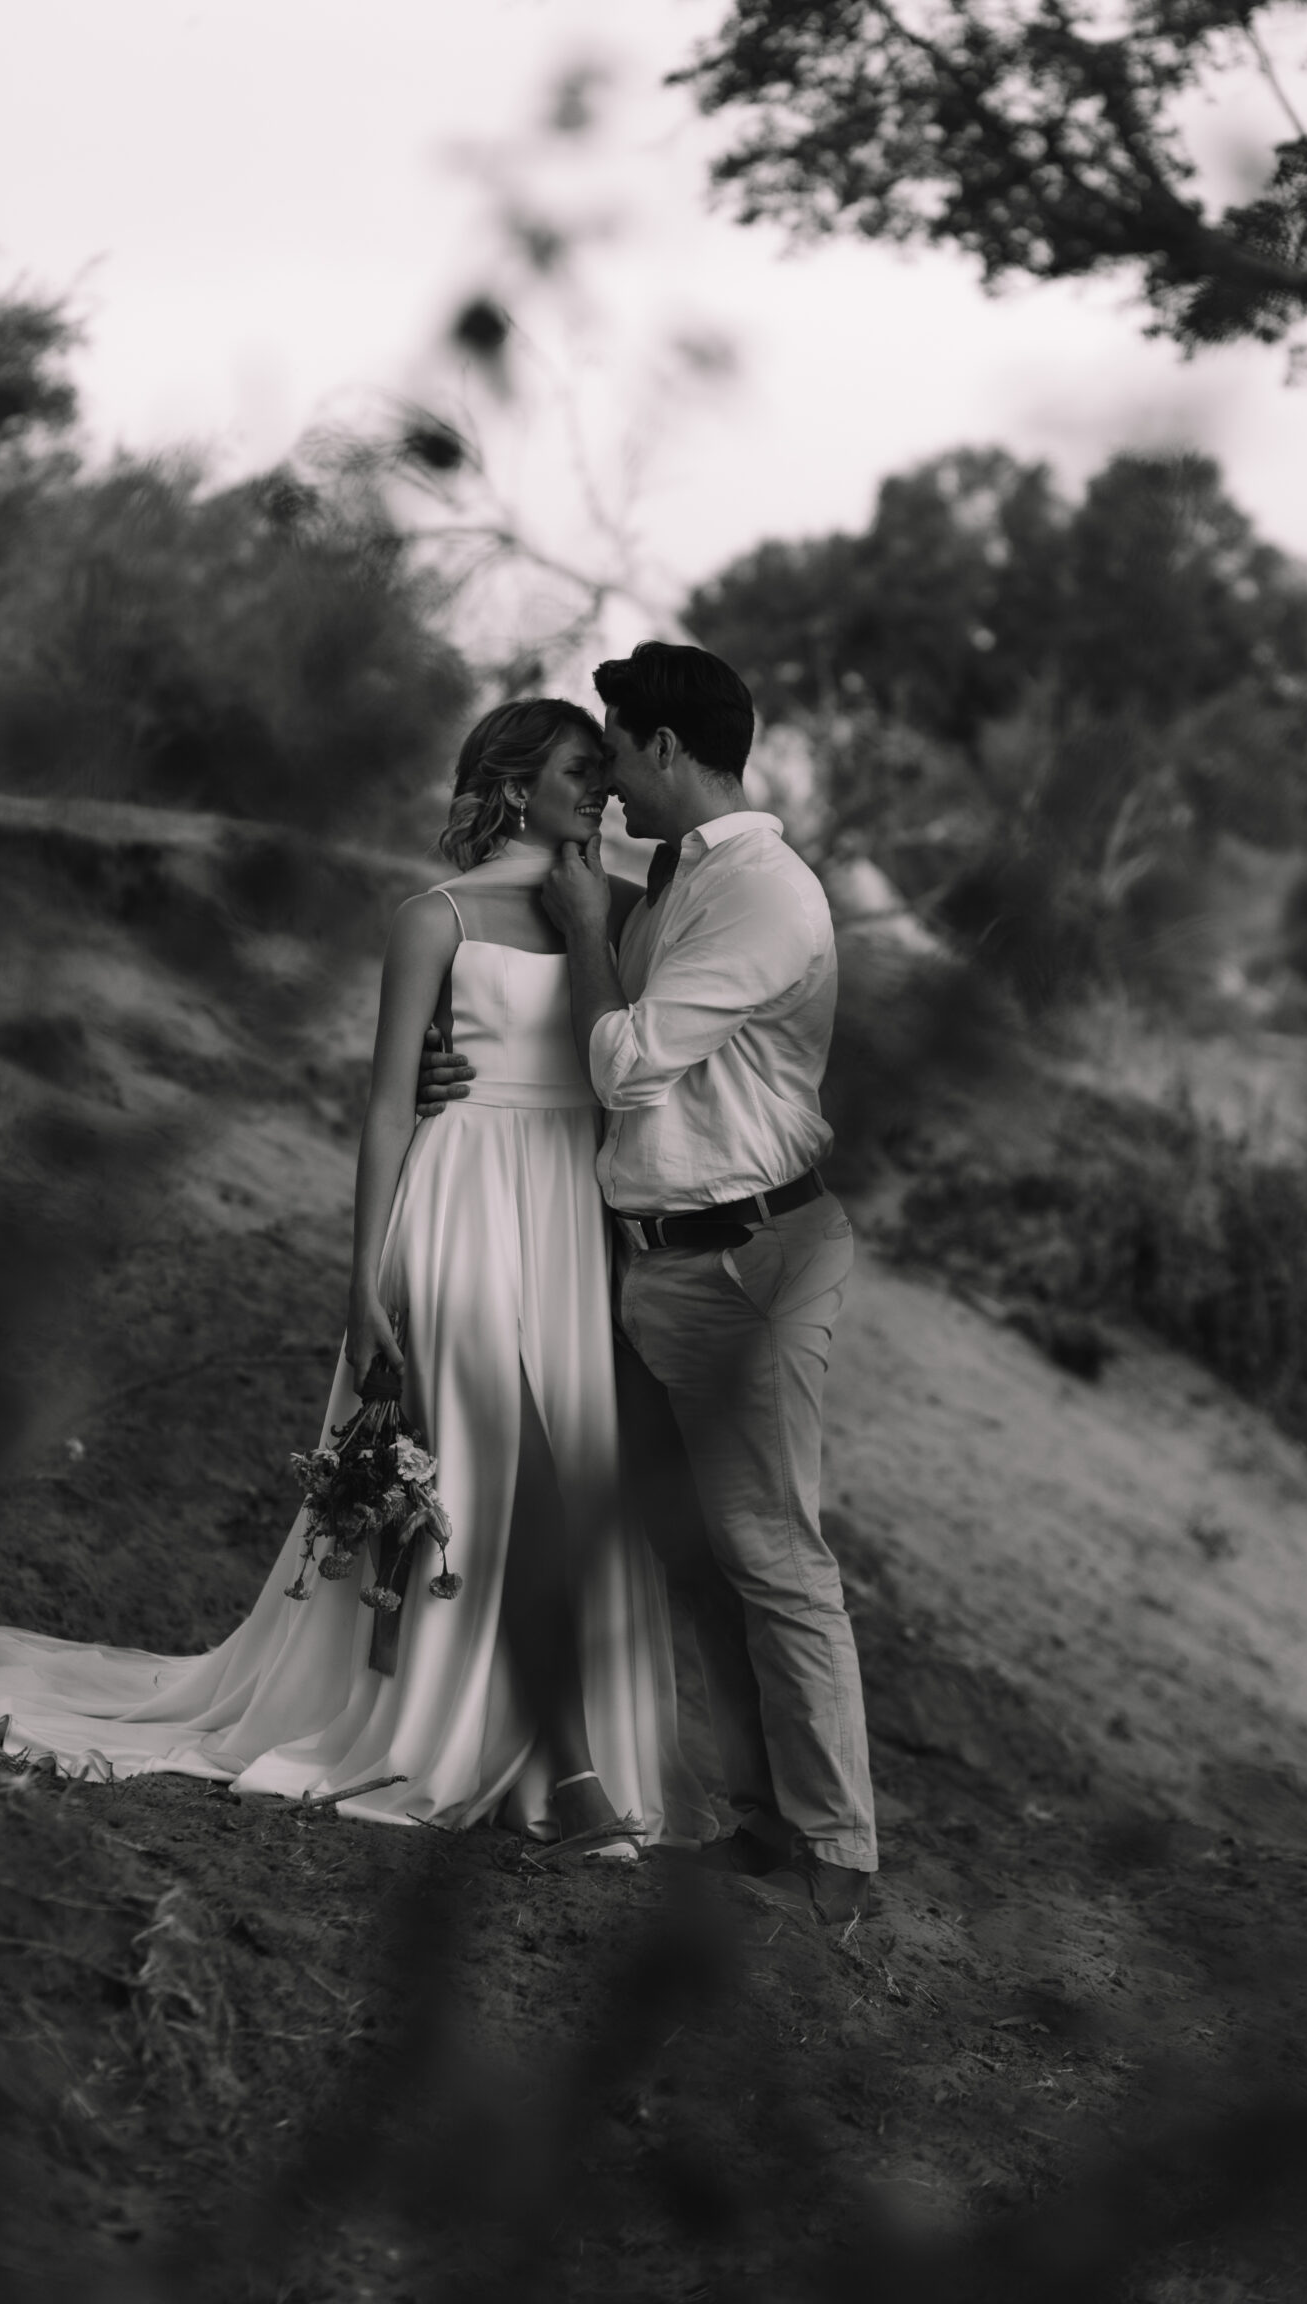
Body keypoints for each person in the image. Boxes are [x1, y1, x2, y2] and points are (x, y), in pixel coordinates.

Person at [0, 700, 712, 1858]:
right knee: (504, 1464)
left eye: (607, 769)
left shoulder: (624, 916)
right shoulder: (433, 919)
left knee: (571, 1485)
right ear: (515, 782)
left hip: (571, 1211)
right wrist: (362, 1279)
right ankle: (564, 1762)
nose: (605, 789)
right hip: (463, 1202)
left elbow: (640, 1064)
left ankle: (549, 1742)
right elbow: (388, 1103)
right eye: (582, 770)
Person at [418, 644, 877, 1925]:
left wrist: (575, 928)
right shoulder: (680, 872)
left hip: (749, 1256)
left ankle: (835, 1857)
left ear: (667, 751)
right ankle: (758, 1824)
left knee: (774, 1553)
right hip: (660, 1258)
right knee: (701, 1553)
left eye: (616, 747)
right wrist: (441, 1074)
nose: (607, 776)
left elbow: (624, 1062)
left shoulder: (764, 897)